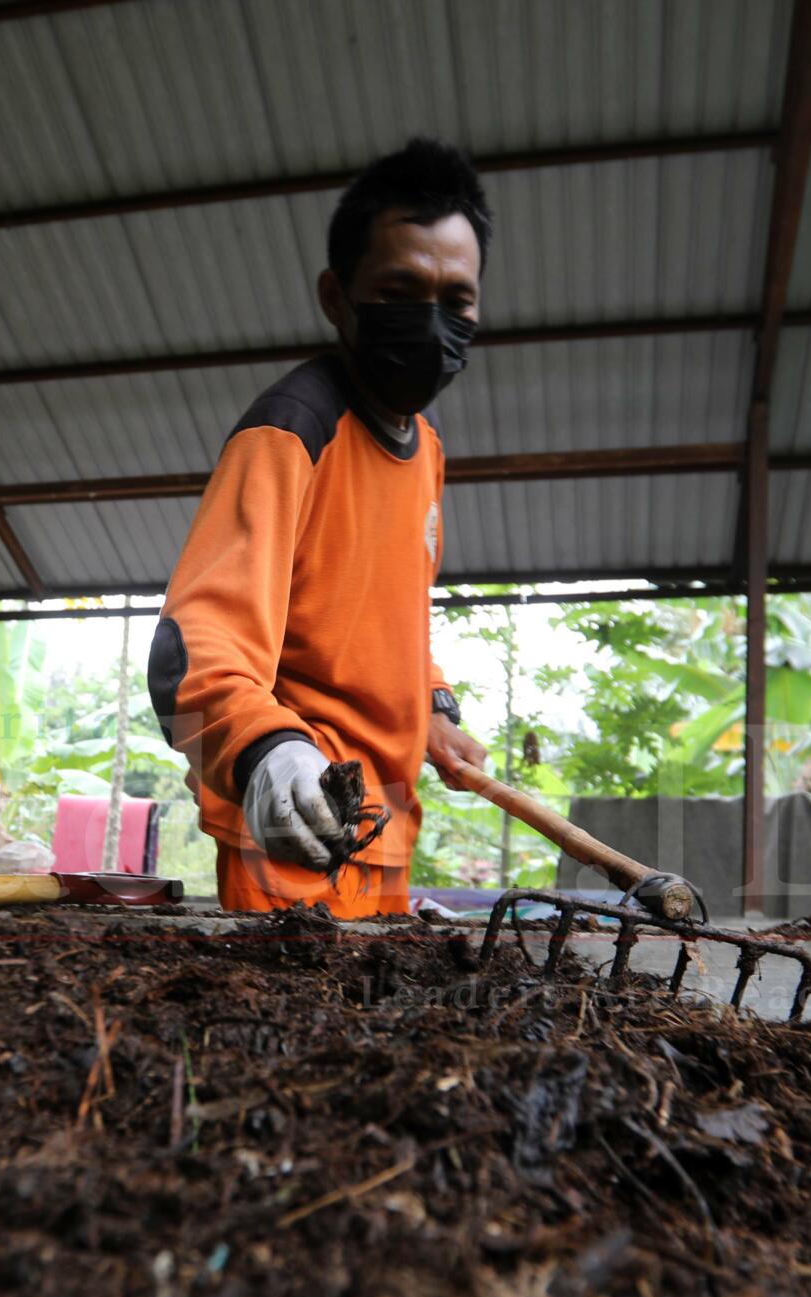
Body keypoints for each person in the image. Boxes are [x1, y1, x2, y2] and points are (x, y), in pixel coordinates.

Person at [146, 138, 494, 916]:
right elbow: (189, 656)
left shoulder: (425, 447)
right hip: (296, 828)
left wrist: (432, 704)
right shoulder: (292, 430)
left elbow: (390, 618)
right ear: (337, 298)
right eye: (401, 291)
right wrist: (270, 755)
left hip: (389, 828)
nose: (432, 325)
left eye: (457, 302)